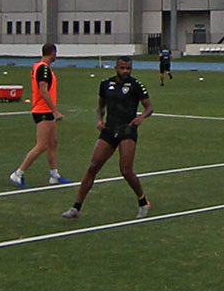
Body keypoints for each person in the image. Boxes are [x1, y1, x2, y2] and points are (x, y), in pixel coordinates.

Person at [62, 55, 153, 220]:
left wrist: (142, 117)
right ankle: (76, 207)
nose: (125, 71)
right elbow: (101, 106)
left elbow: (149, 107)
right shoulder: (105, 84)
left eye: (128, 68)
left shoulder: (136, 85)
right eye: (122, 68)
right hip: (109, 130)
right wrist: (100, 120)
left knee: (126, 170)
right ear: (116, 68)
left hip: (127, 130)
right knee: (93, 166)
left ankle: (143, 202)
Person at [9, 43, 72, 188]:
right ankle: (18, 173)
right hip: (43, 111)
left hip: (46, 110)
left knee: (53, 143)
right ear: (52, 53)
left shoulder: (43, 67)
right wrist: (55, 110)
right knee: (42, 145)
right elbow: (43, 90)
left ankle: (54, 175)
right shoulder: (43, 68)